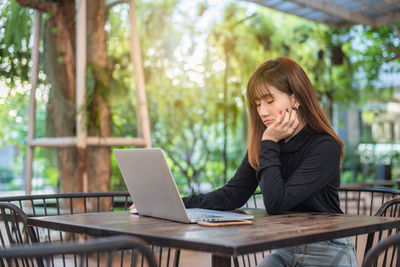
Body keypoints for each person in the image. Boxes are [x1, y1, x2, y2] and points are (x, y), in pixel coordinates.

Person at [182, 57, 358, 267]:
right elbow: (234, 193)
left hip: (327, 249)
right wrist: (176, 204)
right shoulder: (267, 144)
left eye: (269, 101)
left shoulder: (324, 146)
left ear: (295, 99)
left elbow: (277, 203)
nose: (263, 111)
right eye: (257, 104)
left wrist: (270, 142)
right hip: (286, 249)